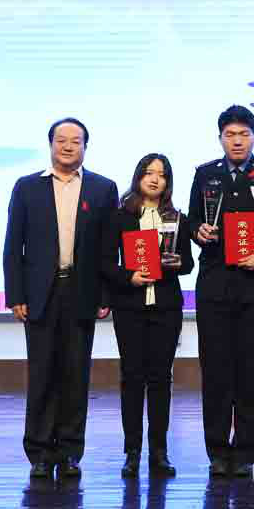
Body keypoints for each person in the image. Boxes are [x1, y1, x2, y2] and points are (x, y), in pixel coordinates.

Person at [2, 117, 117, 479]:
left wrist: (105, 293)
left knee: (75, 375)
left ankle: (69, 452)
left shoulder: (103, 188)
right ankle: (39, 452)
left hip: (82, 292)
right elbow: (13, 246)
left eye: (76, 141)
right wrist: (15, 295)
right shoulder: (26, 187)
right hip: (40, 294)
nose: (68, 146)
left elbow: (108, 249)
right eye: (61, 140)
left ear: (86, 146)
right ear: (51, 144)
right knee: (41, 375)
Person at [188, 105, 254, 477]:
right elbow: (193, 219)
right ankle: (218, 450)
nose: (237, 141)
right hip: (214, 283)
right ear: (220, 138)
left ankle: (247, 451)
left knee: (252, 369)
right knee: (216, 367)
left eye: (244, 134)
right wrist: (198, 231)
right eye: (230, 135)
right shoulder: (205, 174)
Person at [107, 154, 194, 479]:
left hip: (166, 307)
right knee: (132, 378)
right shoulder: (120, 217)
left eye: (162, 174)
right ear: (138, 177)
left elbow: (188, 263)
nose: (155, 179)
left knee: (160, 379)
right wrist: (128, 277)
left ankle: (159, 453)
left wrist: (176, 263)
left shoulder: (177, 217)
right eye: (149, 173)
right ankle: (132, 453)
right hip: (129, 306)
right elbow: (105, 262)